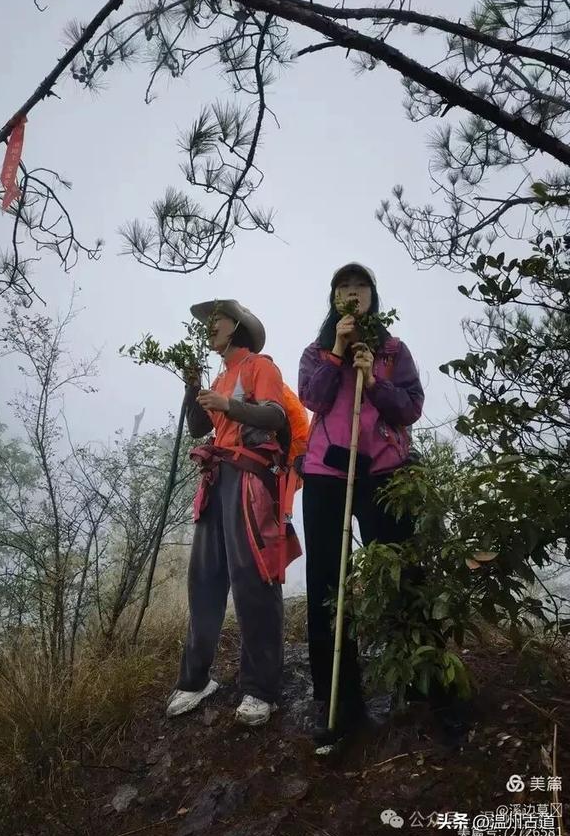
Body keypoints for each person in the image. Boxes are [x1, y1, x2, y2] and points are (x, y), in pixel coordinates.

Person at [298, 262, 424, 743]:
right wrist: (337, 353)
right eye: (343, 287)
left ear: (373, 295)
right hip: (327, 474)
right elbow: (312, 399)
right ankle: (338, 701)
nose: (352, 293)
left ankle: (420, 686)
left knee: (401, 575)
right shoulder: (316, 352)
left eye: (360, 286)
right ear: (333, 298)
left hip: (385, 473)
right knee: (327, 584)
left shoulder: (393, 351)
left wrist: (373, 380)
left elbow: (411, 407)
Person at [166, 299, 301, 727]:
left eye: (217, 319)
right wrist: (191, 386)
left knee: (253, 578)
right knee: (204, 578)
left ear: (237, 326)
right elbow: (198, 428)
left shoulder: (260, 366)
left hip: (249, 482)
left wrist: (229, 406)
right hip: (216, 479)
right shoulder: (221, 377)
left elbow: (274, 415)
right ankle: (195, 679)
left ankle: (261, 688)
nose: (210, 326)